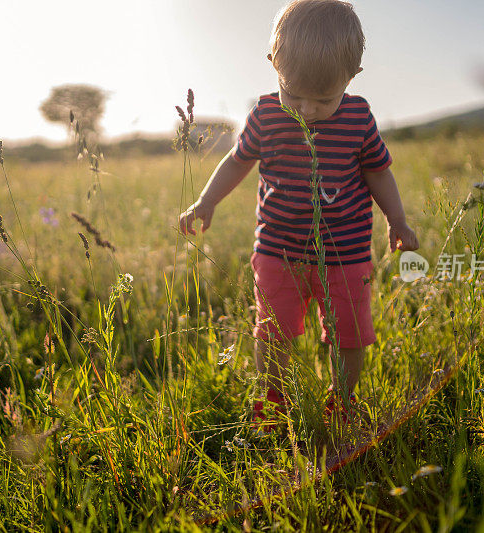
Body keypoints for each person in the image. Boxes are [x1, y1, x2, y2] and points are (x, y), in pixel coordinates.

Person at [178, 0, 419, 434]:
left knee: (350, 337)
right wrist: (206, 200)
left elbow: (378, 171)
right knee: (272, 333)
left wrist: (397, 220)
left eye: (324, 99)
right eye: (294, 94)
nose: (306, 109)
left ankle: (342, 402)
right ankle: (273, 404)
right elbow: (237, 161)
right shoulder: (266, 115)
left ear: (353, 76)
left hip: (345, 256)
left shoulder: (358, 117)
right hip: (277, 251)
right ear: (273, 64)